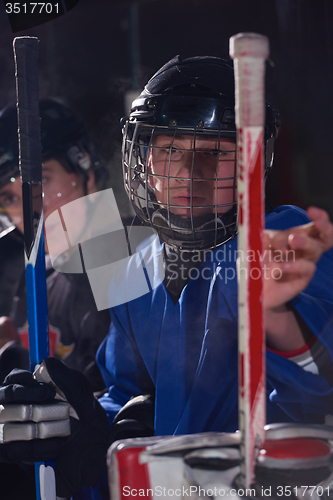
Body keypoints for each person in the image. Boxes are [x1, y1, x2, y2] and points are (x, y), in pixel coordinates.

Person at [0, 56, 333, 500]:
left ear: (252, 161)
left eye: (215, 152)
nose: (186, 173)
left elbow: (317, 403)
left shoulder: (275, 244)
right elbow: (127, 404)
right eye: (169, 149)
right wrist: (81, 431)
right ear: (142, 160)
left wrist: (277, 318)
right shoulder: (136, 266)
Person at [0, 98, 111, 390]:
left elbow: (116, 404)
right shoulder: (40, 273)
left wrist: (10, 358)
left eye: (41, 182)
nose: (29, 209)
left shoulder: (130, 260)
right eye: (10, 198)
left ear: (84, 169)